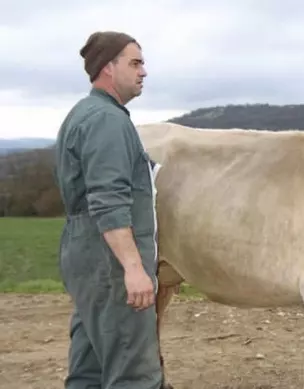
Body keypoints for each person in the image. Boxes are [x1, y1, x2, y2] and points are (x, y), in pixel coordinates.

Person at [53, 31, 163, 389]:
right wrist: (133, 268)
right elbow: (109, 199)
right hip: (111, 263)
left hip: (87, 255)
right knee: (134, 374)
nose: (143, 71)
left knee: (90, 370)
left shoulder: (85, 114)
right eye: (135, 63)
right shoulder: (107, 121)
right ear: (107, 68)